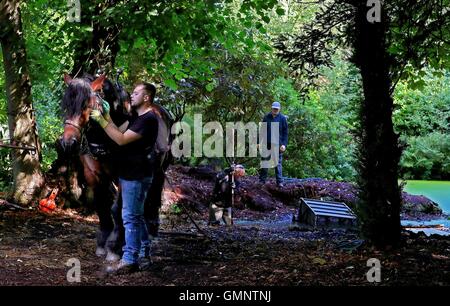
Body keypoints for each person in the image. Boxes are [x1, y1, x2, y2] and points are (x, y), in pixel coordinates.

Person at [90, 82, 159, 274]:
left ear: (146, 97)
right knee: (136, 215)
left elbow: (120, 139)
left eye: (137, 93)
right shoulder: (140, 117)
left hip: (136, 174)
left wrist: (102, 122)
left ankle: (129, 258)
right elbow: (119, 132)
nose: (132, 95)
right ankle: (144, 254)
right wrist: (106, 116)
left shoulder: (148, 119)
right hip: (132, 173)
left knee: (129, 217)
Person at [259, 101, 288, 187]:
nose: (275, 110)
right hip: (267, 144)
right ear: (271, 108)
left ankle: (279, 182)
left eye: (276, 109)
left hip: (277, 145)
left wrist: (284, 144)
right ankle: (262, 181)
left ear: (279, 109)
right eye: (274, 108)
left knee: (277, 164)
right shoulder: (266, 117)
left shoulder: (282, 118)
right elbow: (262, 131)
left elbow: (285, 133)